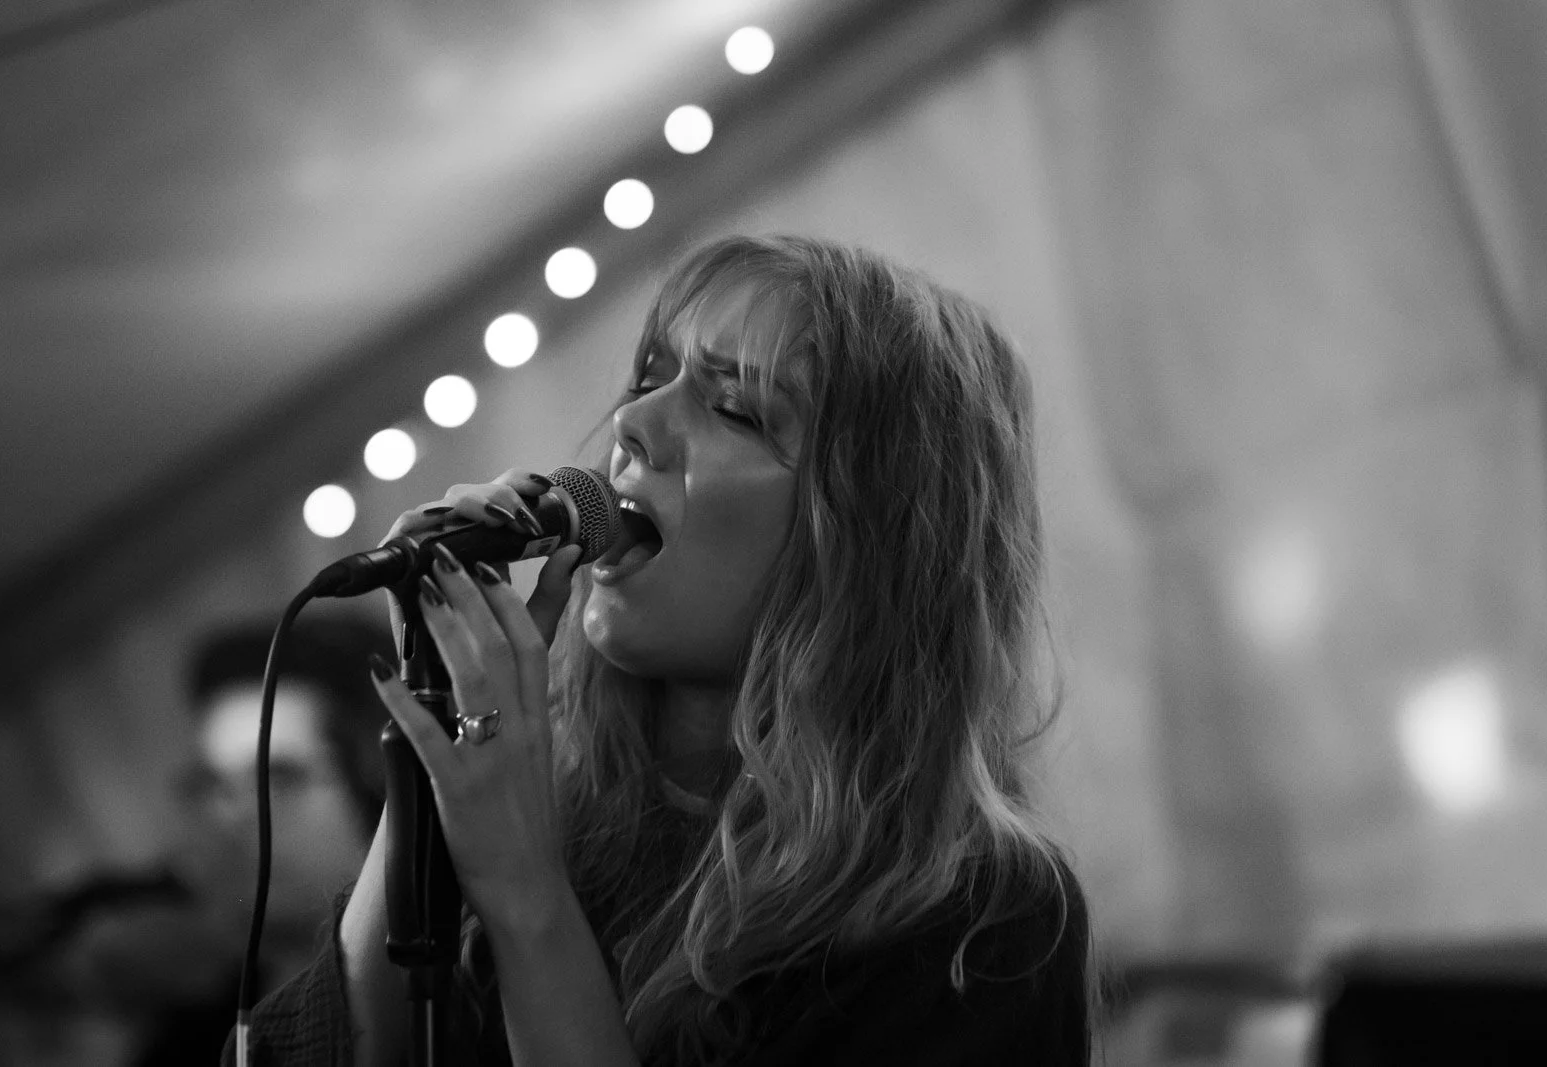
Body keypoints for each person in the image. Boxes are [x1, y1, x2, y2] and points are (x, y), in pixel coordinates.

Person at [230, 234, 1093, 1065]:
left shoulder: (981, 918)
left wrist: (528, 894)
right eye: (650, 375)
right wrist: (435, 745)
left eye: (734, 407)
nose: (634, 421)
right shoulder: (557, 808)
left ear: (865, 541)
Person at [65, 614, 394, 1065]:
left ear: (380, 785)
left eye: (279, 778)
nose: (234, 816)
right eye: (216, 786)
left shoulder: (464, 1000)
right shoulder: (184, 1046)